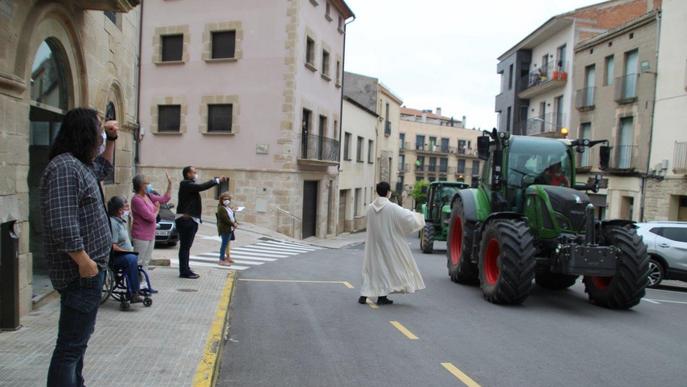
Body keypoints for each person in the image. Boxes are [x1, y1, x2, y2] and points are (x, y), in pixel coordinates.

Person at [40, 107, 118, 386]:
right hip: (81, 274)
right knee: (70, 347)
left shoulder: (81, 165)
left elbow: (104, 168)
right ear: (84, 133)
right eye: (98, 131)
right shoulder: (64, 167)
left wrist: (112, 139)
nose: (100, 137)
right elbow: (62, 222)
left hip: (90, 272)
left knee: (79, 343)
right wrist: (85, 262)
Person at [359, 182, 426, 305]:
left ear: (377, 192)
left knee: (371, 268)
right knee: (386, 268)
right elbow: (408, 218)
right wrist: (419, 217)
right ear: (388, 192)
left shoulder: (370, 207)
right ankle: (381, 297)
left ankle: (364, 295)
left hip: (373, 244)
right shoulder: (392, 207)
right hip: (388, 244)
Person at [176, 166, 226, 279]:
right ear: (188, 174)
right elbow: (201, 186)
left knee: (186, 247)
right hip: (186, 220)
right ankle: (184, 271)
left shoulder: (189, 186)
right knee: (185, 247)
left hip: (191, 220)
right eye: (194, 172)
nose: (196, 174)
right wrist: (216, 180)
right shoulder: (185, 184)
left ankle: (186, 268)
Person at [130, 172, 172, 278]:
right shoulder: (137, 200)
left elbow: (164, 199)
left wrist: (170, 184)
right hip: (141, 236)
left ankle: (144, 284)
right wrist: (157, 209)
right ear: (141, 185)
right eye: (147, 183)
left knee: (146, 262)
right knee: (139, 262)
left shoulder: (148, 196)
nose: (149, 185)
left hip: (150, 234)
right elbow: (150, 217)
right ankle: (136, 285)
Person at [107, 196, 143, 303]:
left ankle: (134, 289)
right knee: (131, 259)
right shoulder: (113, 223)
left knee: (133, 258)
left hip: (123, 255)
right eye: (125, 206)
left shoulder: (120, 221)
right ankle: (133, 293)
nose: (127, 208)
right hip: (115, 257)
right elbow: (113, 246)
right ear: (119, 210)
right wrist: (128, 252)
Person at [216, 192, 238, 266]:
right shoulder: (221, 208)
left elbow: (232, 216)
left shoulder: (227, 207)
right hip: (225, 229)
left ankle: (226, 257)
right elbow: (225, 219)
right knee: (224, 244)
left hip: (229, 229)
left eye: (228, 199)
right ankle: (221, 259)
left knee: (227, 244)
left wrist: (235, 222)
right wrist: (233, 224)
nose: (227, 200)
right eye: (225, 199)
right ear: (221, 200)